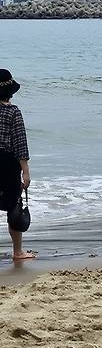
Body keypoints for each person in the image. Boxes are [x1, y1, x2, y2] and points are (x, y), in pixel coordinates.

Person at [0, 69, 35, 260]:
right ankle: (17, 251)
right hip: (6, 163)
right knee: (13, 206)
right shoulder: (13, 112)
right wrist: (26, 173)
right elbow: (20, 144)